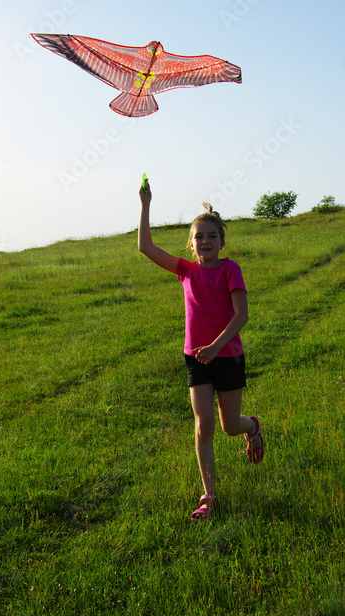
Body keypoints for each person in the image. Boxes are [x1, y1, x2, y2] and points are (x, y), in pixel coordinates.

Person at [137, 179, 265, 521]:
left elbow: (242, 316)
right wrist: (146, 204)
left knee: (228, 426)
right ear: (191, 245)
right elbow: (146, 248)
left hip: (227, 356)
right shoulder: (186, 271)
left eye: (212, 236)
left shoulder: (229, 270)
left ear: (221, 242)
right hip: (196, 358)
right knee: (202, 424)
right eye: (199, 237)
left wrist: (216, 346)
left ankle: (251, 427)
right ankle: (209, 494)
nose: (205, 241)